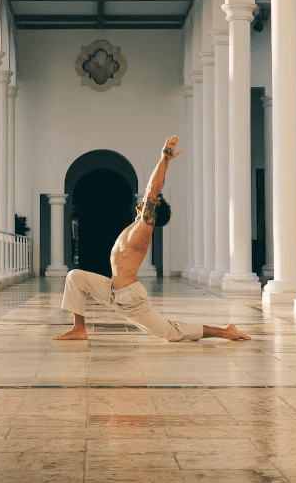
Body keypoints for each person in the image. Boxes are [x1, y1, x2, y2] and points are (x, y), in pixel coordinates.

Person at [54, 135, 250, 342]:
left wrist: (164, 160)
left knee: (171, 333)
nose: (143, 204)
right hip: (113, 290)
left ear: (152, 213)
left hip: (130, 298)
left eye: (149, 205)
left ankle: (226, 331)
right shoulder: (134, 226)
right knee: (75, 277)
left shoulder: (143, 229)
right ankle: (79, 329)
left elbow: (152, 190)